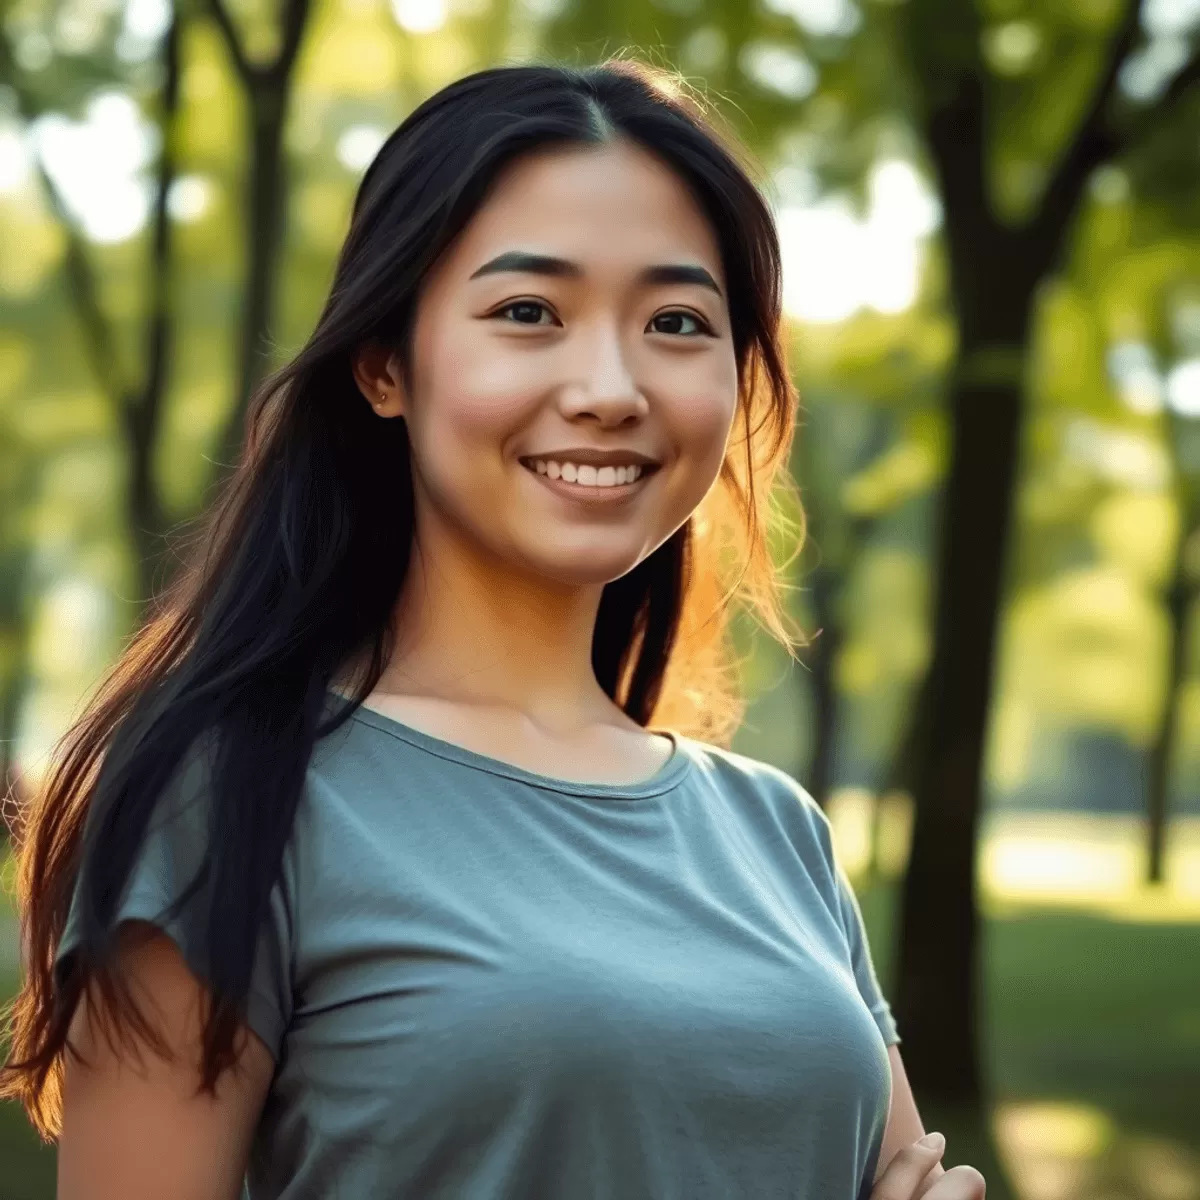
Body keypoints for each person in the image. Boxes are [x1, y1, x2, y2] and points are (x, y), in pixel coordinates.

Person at [0, 60, 985, 1200]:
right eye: (528, 313)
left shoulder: (778, 839)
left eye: (677, 321)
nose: (611, 386)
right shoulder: (228, 796)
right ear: (384, 365)